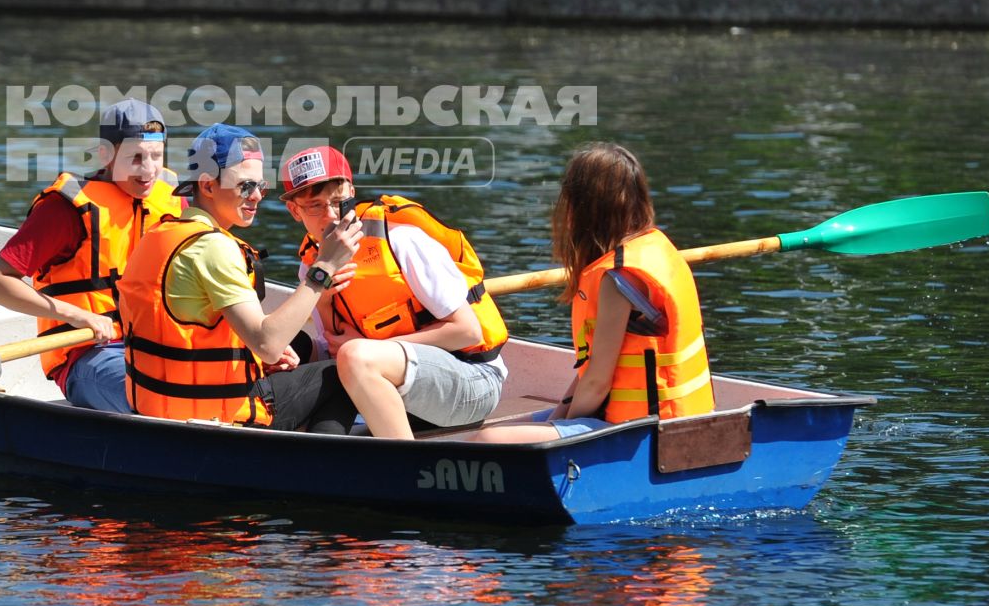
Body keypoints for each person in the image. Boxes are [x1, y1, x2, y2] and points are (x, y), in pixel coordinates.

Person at [119, 124, 361, 432]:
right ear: (207, 186)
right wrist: (324, 266)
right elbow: (269, 345)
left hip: (157, 406)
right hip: (212, 419)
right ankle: (321, 471)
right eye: (246, 186)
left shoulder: (163, 233)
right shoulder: (213, 246)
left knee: (298, 343)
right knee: (342, 373)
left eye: (261, 185)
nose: (258, 196)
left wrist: (260, 354)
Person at [475, 142, 715, 443]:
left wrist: (558, 439)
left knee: (487, 442)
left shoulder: (618, 279)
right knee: (494, 433)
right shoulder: (654, 248)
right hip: (673, 418)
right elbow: (593, 371)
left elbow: (598, 383)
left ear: (584, 207)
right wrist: (557, 416)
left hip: (647, 433)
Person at [280, 145, 509, 440]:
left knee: (357, 356)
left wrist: (368, 347)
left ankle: (401, 468)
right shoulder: (312, 267)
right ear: (294, 210)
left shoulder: (400, 239)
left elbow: (467, 332)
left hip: (473, 380)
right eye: (315, 206)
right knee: (287, 348)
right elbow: (336, 351)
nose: (332, 216)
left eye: (339, 202)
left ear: (351, 190)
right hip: (395, 380)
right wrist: (323, 298)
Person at [0, 100, 181, 413]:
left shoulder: (172, 198)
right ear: (105, 155)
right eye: (136, 158)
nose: (148, 169)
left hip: (157, 345)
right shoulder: (66, 209)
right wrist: (79, 316)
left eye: (156, 156)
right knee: (158, 399)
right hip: (90, 355)